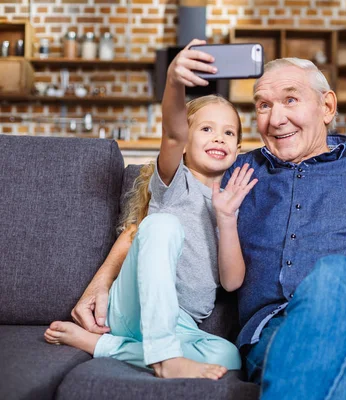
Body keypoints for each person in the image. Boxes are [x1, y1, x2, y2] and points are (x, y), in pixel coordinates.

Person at [71, 6, 346, 397]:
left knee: (331, 275)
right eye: (262, 105)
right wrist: (102, 281)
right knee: (317, 373)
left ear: (327, 106)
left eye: (290, 100)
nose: (275, 119)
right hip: (272, 335)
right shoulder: (236, 174)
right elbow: (159, 217)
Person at [44, 40, 258, 380]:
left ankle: (104, 347)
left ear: (239, 148)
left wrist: (227, 219)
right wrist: (174, 81)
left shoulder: (233, 200)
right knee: (161, 225)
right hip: (134, 307)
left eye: (228, 132)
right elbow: (171, 134)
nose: (219, 138)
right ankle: (164, 358)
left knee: (229, 355)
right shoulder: (176, 183)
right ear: (186, 141)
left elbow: (232, 284)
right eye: (206, 129)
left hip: (181, 323)